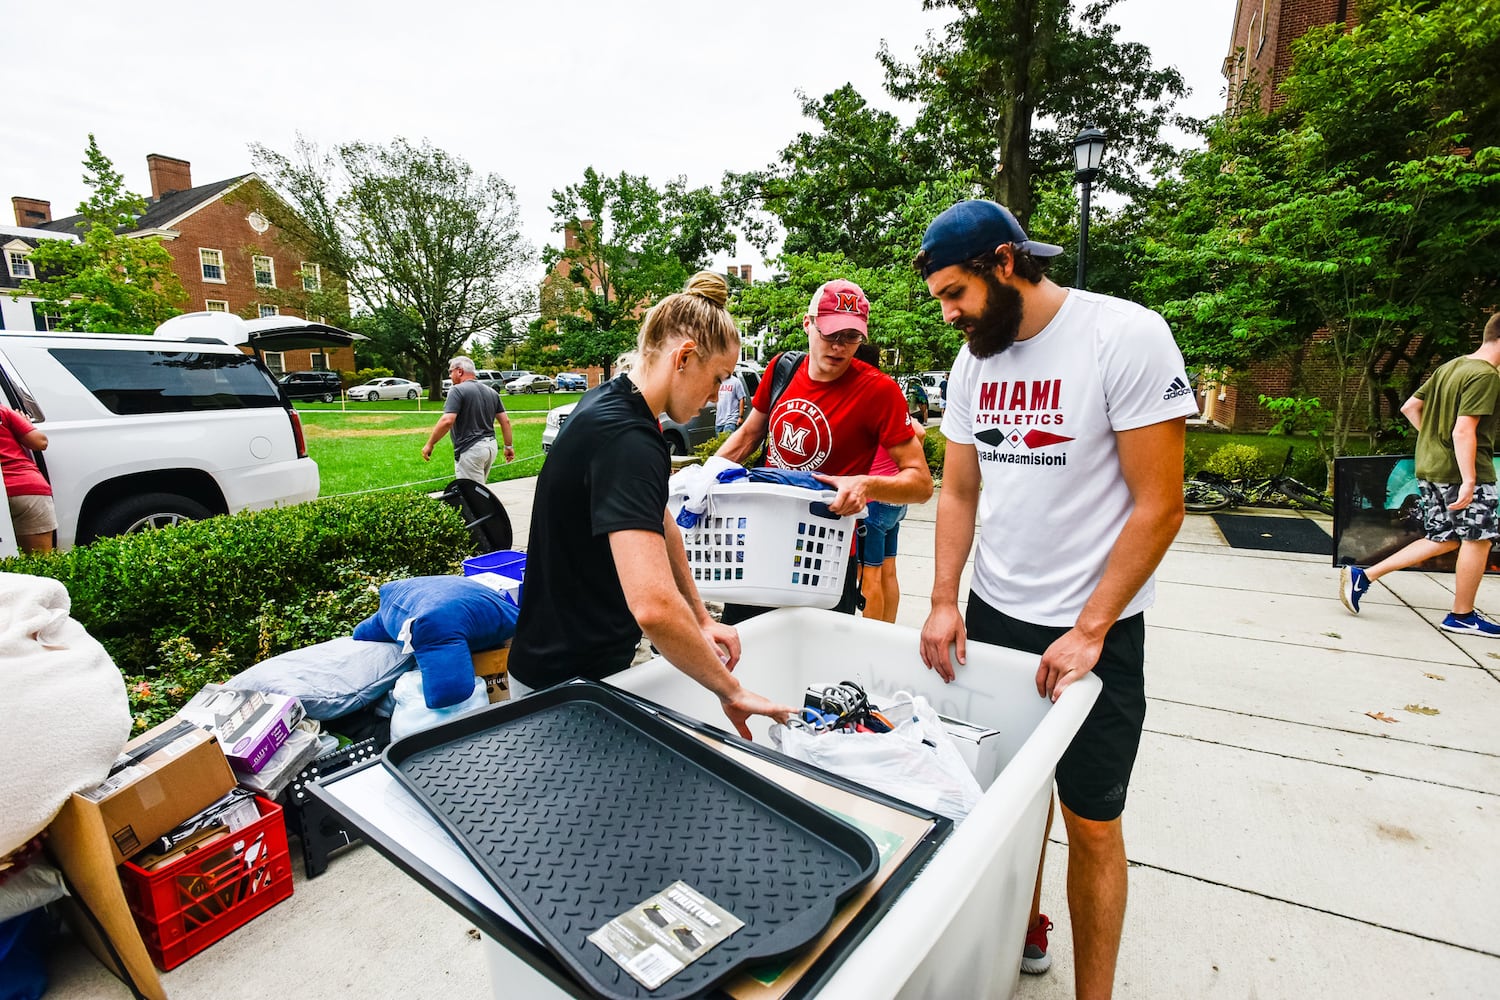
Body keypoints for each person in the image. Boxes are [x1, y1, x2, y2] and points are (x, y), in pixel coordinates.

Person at [913, 200, 1198, 999]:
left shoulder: (1124, 336)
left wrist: (1091, 627)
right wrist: (944, 600)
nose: (949, 315)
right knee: (1008, 803)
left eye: (955, 293)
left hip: (1094, 630)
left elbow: (1161, 504)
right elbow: (960, 488)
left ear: (1007, 263)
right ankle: (1024, 929)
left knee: (1093, 821)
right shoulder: (975, 363)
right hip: (996, 618)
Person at [507, 272, 794, 738]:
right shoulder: (629, 439)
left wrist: (702, 618)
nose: (717, 395)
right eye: (719, 378)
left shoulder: (608, 403)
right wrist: (731, 691)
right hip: (565, 687)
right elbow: (654, 607)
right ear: (684, 358)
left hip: (565, 664)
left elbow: (659, 521)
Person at [715, 280, 933, 621]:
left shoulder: (879, 390)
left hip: (826, 554)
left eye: (851, 337)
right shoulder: (782, 369)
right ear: (808, 324)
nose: (839, 346)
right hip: (764, 543)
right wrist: (705, 476)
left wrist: (866, 485)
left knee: (818, 662)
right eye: (829, 333)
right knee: (745, 648)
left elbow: (920, 484)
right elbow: (748, 436)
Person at [1340, 313, 1500, 634]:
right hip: (1462, 471)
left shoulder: (1451, 367)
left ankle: (1363, 576)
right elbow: (1463, 431)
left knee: (1443, 538)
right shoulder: (1485, 376)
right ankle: (1462, 616)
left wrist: (1432, 441)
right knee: (1477, 539)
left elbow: (1410, 407)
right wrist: (1469, 479)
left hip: (1431, 467)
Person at [853, 343, 925, 623]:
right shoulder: (887, 393)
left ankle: (873, 639)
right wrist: (897, 466)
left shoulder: (864, 397)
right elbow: (918, 431)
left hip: (873, 503)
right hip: (895, 501)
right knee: (888, 570)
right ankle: (889, 631)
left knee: (868, 574)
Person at [422, 356, 514, 482]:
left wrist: (430, 444)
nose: (449, 375)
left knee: (472, 495)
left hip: (471, 449)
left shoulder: (456, 390)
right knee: (479, 491)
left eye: (450, 371)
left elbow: (447, 421)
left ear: (459, 371)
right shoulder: (491, 392)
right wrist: (508, 447)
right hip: (490, 447)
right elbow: (505, 421)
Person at [0, 404, 55, 554]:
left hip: (3, 489)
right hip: (27, 489)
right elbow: (40, 442)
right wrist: (26, 424)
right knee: (39, 562)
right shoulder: (3, 411)